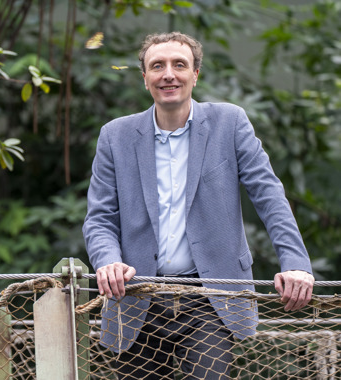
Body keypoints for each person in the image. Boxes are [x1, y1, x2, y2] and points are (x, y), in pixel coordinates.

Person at [82, 31, 314, 379]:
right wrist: (108, 261)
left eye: (180, 65)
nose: (169, 74)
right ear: (145, 78)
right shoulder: (116, 135)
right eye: (157, 66)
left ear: (195, 74)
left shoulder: (230, 122)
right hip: (137, 295)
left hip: (210, 297)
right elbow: (100, 218)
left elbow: (269, 195)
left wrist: (295, 263)